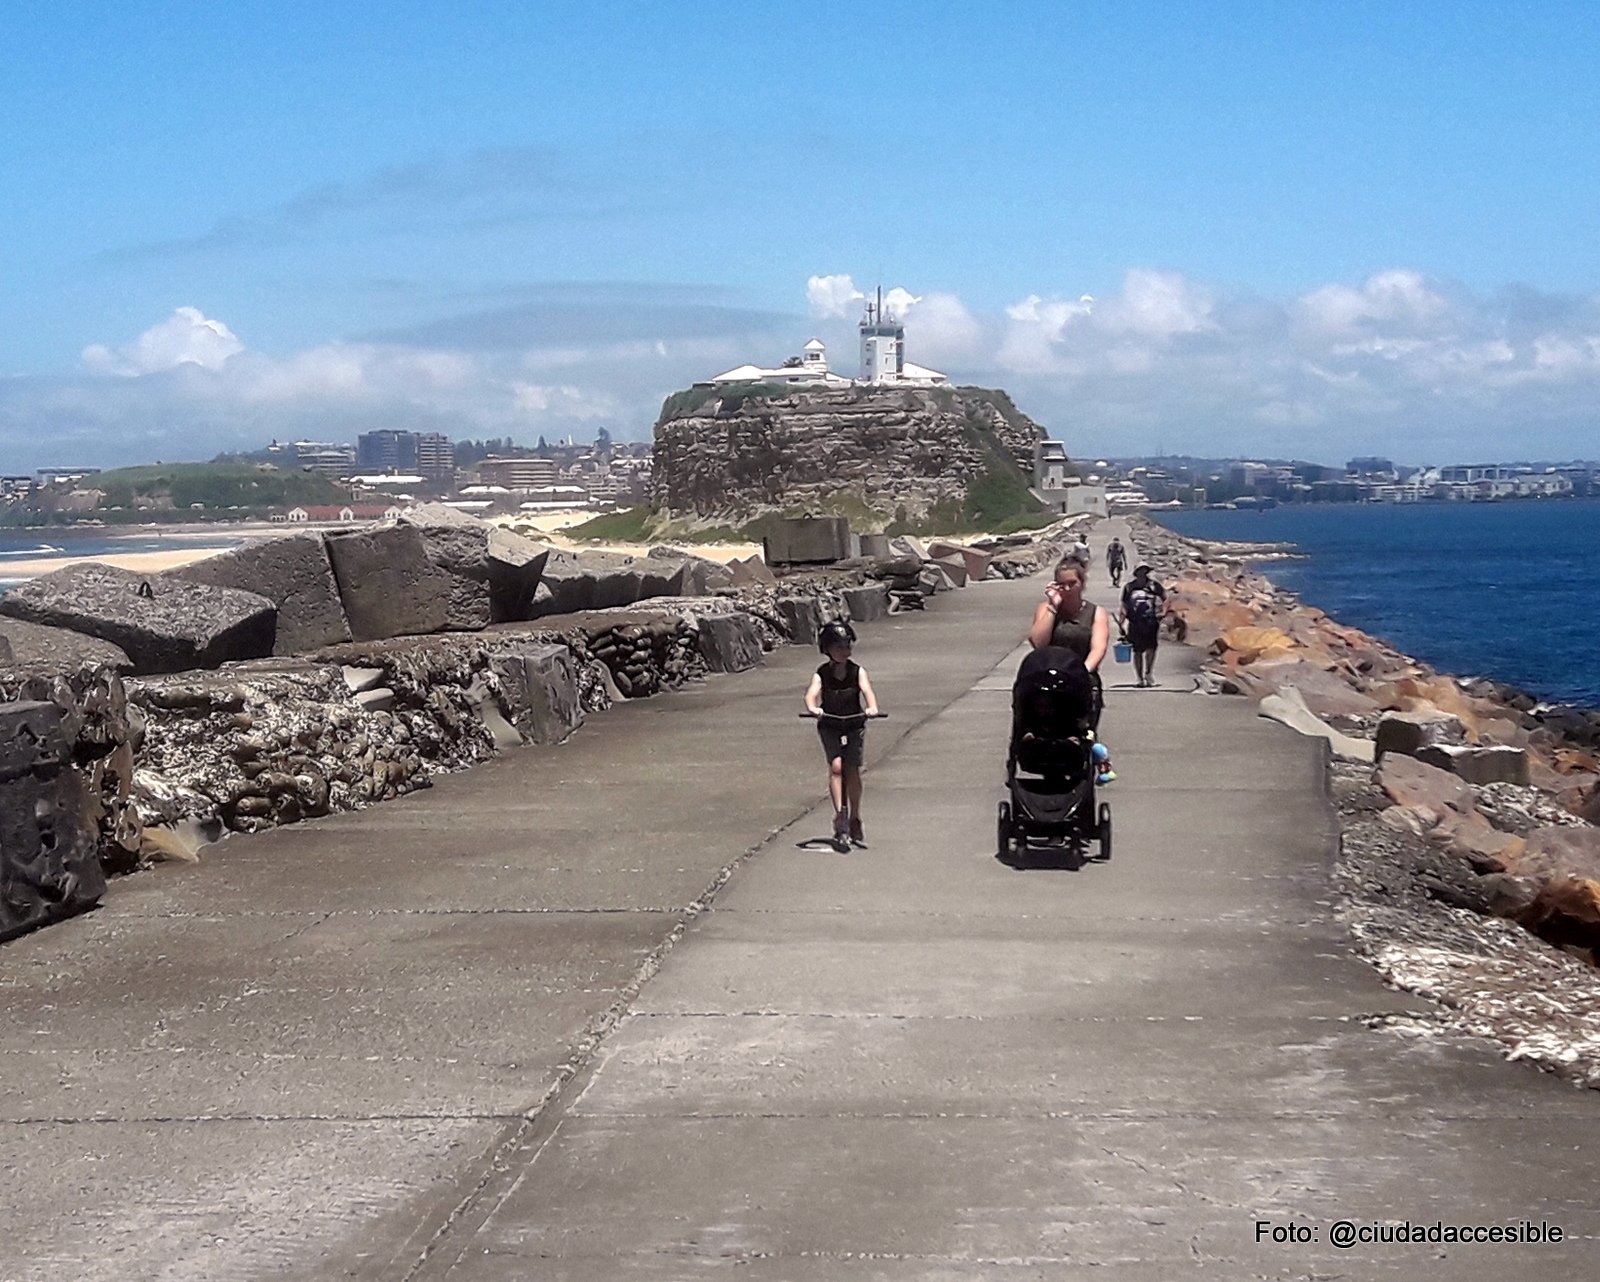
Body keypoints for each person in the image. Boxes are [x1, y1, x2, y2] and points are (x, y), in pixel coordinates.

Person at [1027, 557, 1115, 781]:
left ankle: (1088, 769)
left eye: (1072, 583)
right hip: (1048, 681)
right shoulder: (1045, 610)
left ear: (1082, 583)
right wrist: (1053, 607)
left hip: (1081, 681)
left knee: (1078, 734)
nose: (1067, 589)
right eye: (1061, 584)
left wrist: (1080, 673)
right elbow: (1038, 642)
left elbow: (1098, 648)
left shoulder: (1096, 613)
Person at [804, 620, 880, 847]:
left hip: (854, 722)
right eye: (838, 647)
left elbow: (867, 691)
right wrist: (813, 708)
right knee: (836, 767)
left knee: (852, 768)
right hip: (830, 723)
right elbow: (811, 694)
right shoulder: (822, 673)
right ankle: (840, 815)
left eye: (847, 646)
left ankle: (855, 814)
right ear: (827, 649)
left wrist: (872, 708)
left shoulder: (857, 671)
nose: (844, 652)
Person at [1119, 563, 1168, 687]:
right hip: (1135, 622)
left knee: (1151, 648)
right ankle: (1139, 677)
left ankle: (1149, 673)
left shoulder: (1154, 586)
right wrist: (1121, 622)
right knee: (1137, 651)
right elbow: (1124, 605)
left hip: (1151, 621)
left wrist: (1163, 612)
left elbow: (1165, 599)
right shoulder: (1129, 587)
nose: (1143, 572)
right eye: (1140, 570)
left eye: (1145, 570)